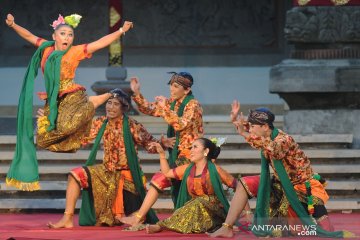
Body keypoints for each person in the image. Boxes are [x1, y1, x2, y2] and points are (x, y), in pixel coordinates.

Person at [5, 13, 133, 190]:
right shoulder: (45, 48)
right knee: (43, 140)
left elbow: (100, 42)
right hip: (53, 99)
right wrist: (13, 24)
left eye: (70, 34)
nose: (67, 37)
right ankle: (74, 118)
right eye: (63, 33)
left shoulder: (75, 51)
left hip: (72, 95)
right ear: (54, 36)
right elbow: (28, 36)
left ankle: (94, 102)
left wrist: (120, 30)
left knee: (66, 128)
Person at [209, 100, 353, 238]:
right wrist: (235, 121)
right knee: (243, 184)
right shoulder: (265, 134)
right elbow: (252, 133)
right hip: (280, 184)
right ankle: (226, 227)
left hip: (301, 188)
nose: (250, 129)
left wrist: (243, 133)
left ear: (265, 127)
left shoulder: (282, 140)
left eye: (253, 126)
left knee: (318, 231)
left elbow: (271, 148)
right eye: (250, 126)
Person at [47, 89, 173, 228]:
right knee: (74, 175)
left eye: (115, 104)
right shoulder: (100, 122)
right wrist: (53, 132)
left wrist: (162, 144)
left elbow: (149, 145)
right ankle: (67, 218)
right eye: (109, 103)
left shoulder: (132, 125)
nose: (110, 107)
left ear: (123, 108)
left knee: (131, 217)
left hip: (127, 178)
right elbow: (81, 138)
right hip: (105, 172)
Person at [118, 72, 203, 226]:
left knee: (159, 179)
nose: (171, 89)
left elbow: (181, 124)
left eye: (176, 86)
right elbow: (149, 108)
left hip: (191, 156)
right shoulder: (172, 103)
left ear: (187, 90)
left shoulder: (193, 105)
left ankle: (138, 217)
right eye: (171, 85)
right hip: (178, 154)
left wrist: (165, 108)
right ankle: (140, 217)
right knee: (159, 181)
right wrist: (137, 93)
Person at [144, 137, 237, 234]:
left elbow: (238, 186)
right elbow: (167, 173)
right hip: (194, 207)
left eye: (195, 147)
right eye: (191, 147)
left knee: (198, 202)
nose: (191, 151)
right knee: (191, 206)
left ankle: (160, 226)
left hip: (214, 210)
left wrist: (247, 212)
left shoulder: (215, 170)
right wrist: (162, 154)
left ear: (206, 151)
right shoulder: (188, 168)